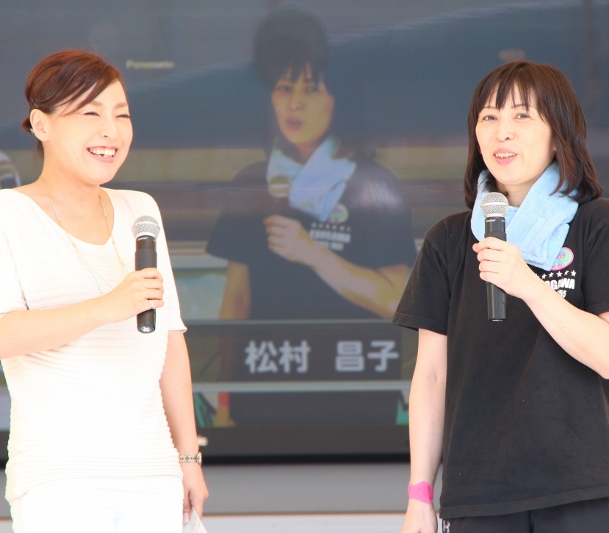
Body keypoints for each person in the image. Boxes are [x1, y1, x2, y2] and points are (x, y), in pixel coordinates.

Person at [393, 60, 609, 533]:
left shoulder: (600, 224)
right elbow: (431, 376)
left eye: (521, 116)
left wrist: (528, 285)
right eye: (489, 117)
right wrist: (419, 496)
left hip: (581, 485)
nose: (502, 132)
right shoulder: (449, 241)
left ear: (558, 134)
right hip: (477, 494)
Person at [0, 50, 208, 532]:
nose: (111, 132)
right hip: (60, 478)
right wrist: (108, 307)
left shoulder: (141, 210)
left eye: (122, 115)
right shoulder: (9, 213)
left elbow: (170, 341)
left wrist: (188, 457)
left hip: (154, 473)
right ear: (41, 124)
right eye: (90, 114)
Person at [205, 8, 416, 427]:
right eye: (284, 87)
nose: (295, 102)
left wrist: (314, 254)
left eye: (312, 88)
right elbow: (236, 302)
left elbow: (396, 301)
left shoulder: (374, 185)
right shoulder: (252, 183)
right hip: (263, 399)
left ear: (339, 101)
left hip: (356, 402)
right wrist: (226, 400)